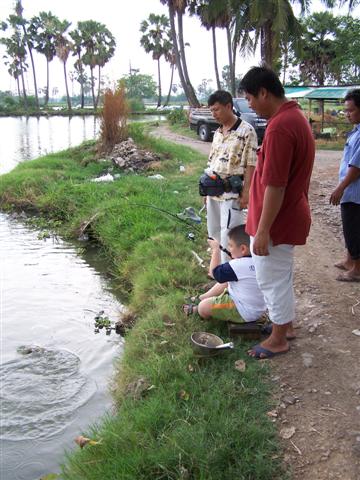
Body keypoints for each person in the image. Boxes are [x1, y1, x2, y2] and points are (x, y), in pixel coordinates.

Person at [239, 66, 315, 359]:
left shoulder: (281, 126)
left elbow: (276, 185)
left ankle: (279, 337)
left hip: (278, 220)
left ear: (264, 92)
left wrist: (263, 229)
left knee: (270, 278)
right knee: (279, 276)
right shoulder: (293, 118)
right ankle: (285, 326)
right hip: (284, 216)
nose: (249, 104)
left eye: (250, 98)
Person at [203, 90, 258, 272]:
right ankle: (217, 270)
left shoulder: (246, 131)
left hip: (231, 193)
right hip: (213, 191)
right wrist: (206, 191)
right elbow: (211, 161)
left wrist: (247, 192)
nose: (214, 114)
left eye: (217, 109)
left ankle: (231, 275)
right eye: (211, 111)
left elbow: (251, 164)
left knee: (230, 235)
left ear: (228, 106)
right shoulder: (218, 132)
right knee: (214, 233)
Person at [183, 225, 266, 324]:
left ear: (243, 249)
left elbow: (215, 274)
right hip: (256, 308)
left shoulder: (237, 266)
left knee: (203, 307)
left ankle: (197, 309)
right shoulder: (258, 261)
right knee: (226, 281)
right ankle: (201, 297)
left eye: (231, 245)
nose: (229, 249)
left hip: (243, 310)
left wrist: (215, 250)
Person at [330, 89, 360, 282]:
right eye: (346, 110)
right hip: (350, 192)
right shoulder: (356, 131)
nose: (347, 114)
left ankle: (357, 269)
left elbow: (356, 167)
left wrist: (340, 188)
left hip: (355, 193)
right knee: (349, 227)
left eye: (351, 110)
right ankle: (350, 259)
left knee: (354, 229)